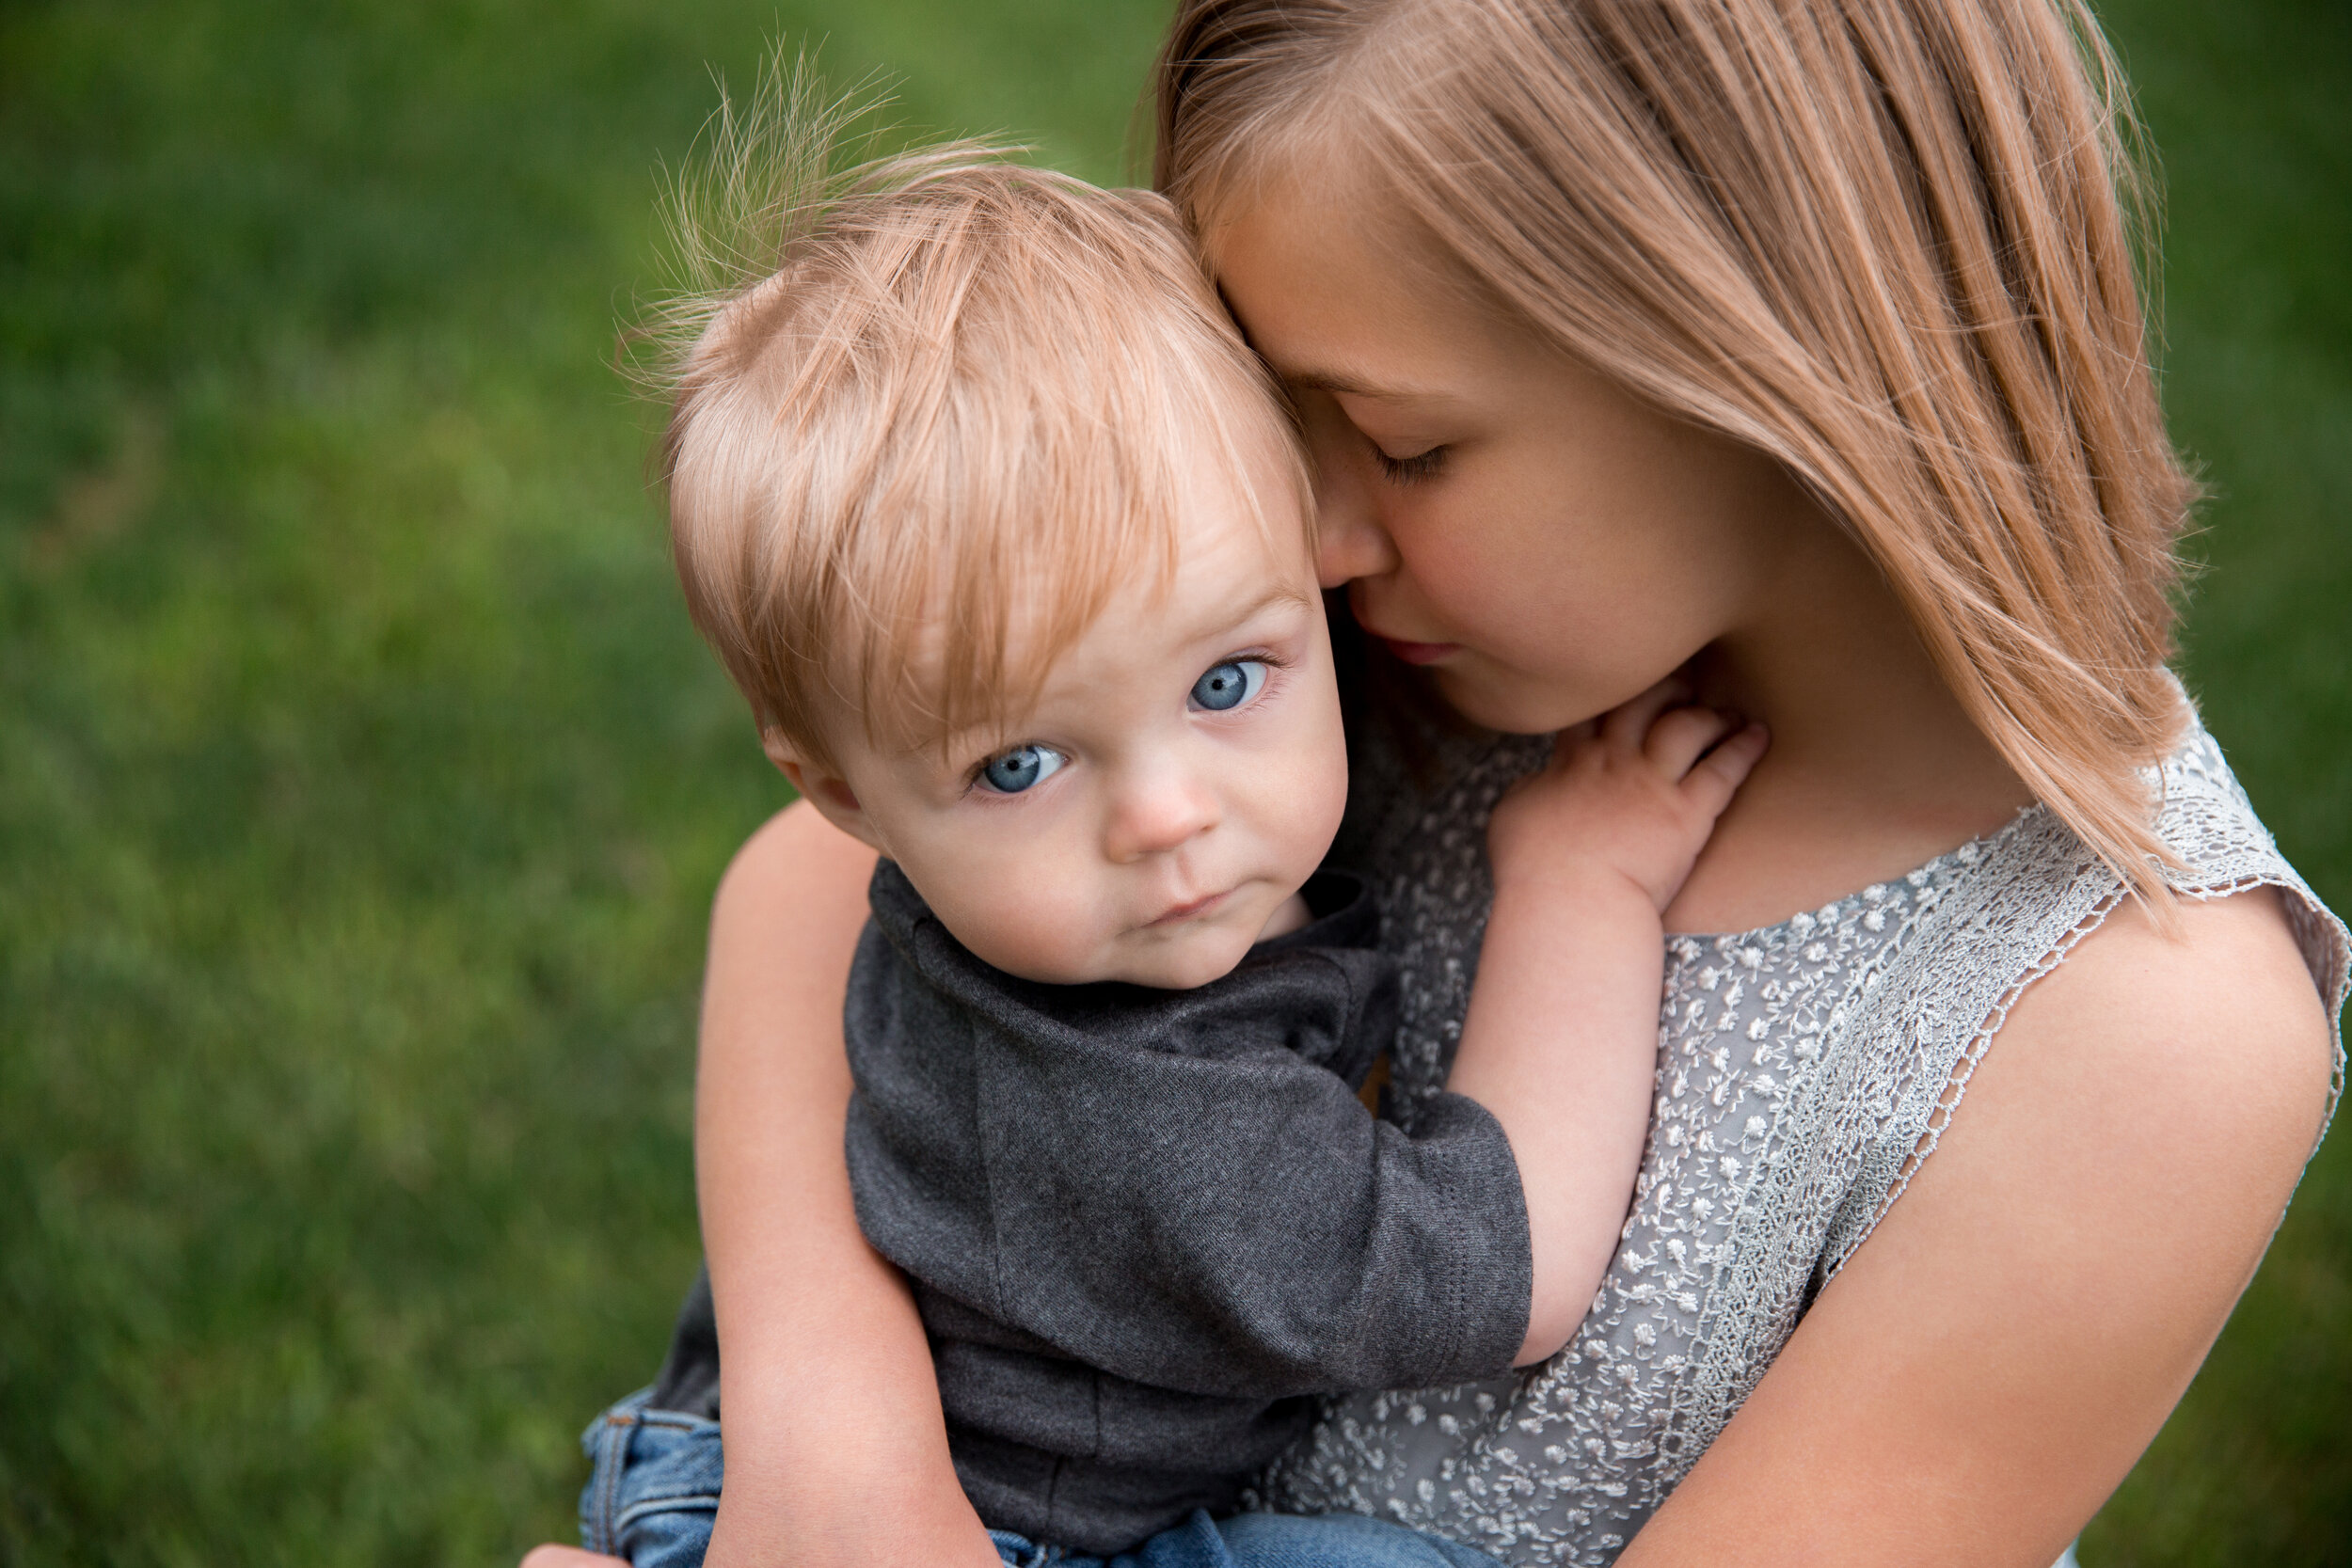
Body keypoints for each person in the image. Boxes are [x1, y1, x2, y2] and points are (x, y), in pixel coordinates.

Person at [529, 1, 2346, 1564]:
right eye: (1275, 405)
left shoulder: (2136, 1020)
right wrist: (831, 1433)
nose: (1304, 526)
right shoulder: (1370, 663)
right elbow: (817, 882)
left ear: (1766, 367)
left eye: (1400, 441)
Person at [558, 93, 1768, 1568]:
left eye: (1225, 681)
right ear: (842, 800)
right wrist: (1586, 884)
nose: (1167, 815)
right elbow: (1502, 1267)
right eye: (1020, 766)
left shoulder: (1062, 881)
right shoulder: (1154, 1111)